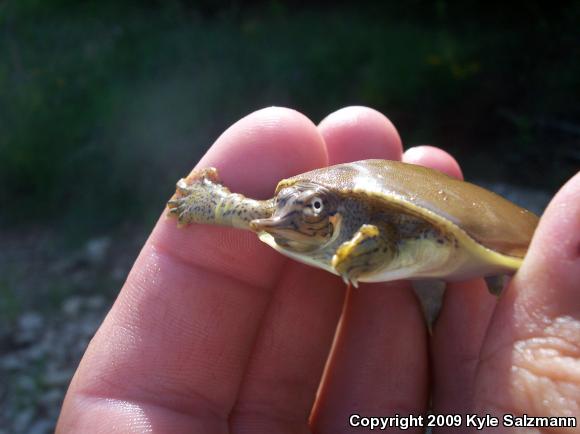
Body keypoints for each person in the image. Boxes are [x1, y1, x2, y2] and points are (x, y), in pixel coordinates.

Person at [57, 107, 580, 433]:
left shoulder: (367, 226)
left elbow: (378, 235)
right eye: (292, 206)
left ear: (334, 212)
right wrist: (210, 202)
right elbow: (261, 212)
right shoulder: (291, 214)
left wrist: (359, 249)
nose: (288, 217)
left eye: (309, 210)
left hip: (436, 227)